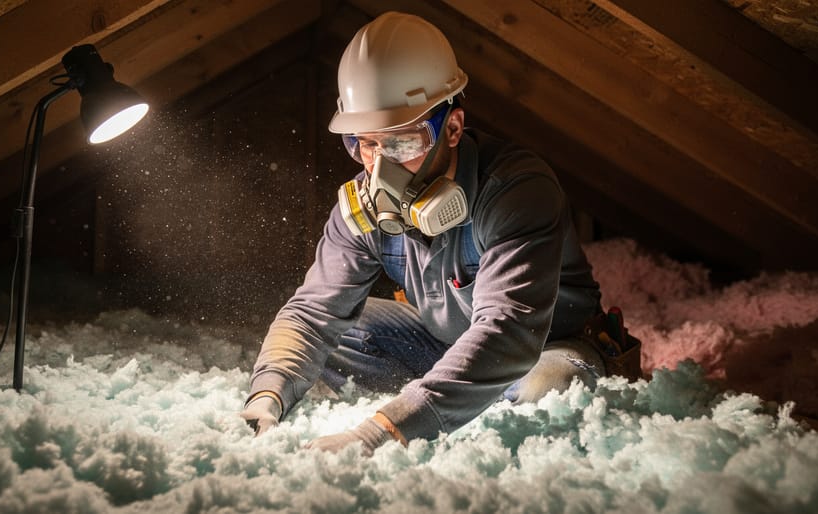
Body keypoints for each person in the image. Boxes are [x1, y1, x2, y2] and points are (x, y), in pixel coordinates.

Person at [240, 11, 640, 454]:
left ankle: (443, 399)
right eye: (365, 143)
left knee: (548, 389)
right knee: (332, 341)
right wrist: (269, 393)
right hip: (440, 340)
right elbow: (312, 313)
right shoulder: (361, 203)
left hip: (542, 346)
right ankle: (449, 394)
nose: (378, 167)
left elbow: (507, 333)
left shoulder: (517, 191)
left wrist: (378, 432)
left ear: (452, 128)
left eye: (401, 143)